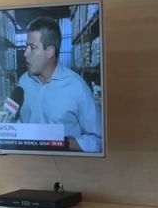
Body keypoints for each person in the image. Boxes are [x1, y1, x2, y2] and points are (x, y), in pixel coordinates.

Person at [17, 16, 102, 153]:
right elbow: (19, 123)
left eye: (32, 47)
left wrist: (63, 143)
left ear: (50, 51)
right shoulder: (23, 82)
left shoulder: (77, 87)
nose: (25, 53)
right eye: (26, 47)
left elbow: (98, 140)